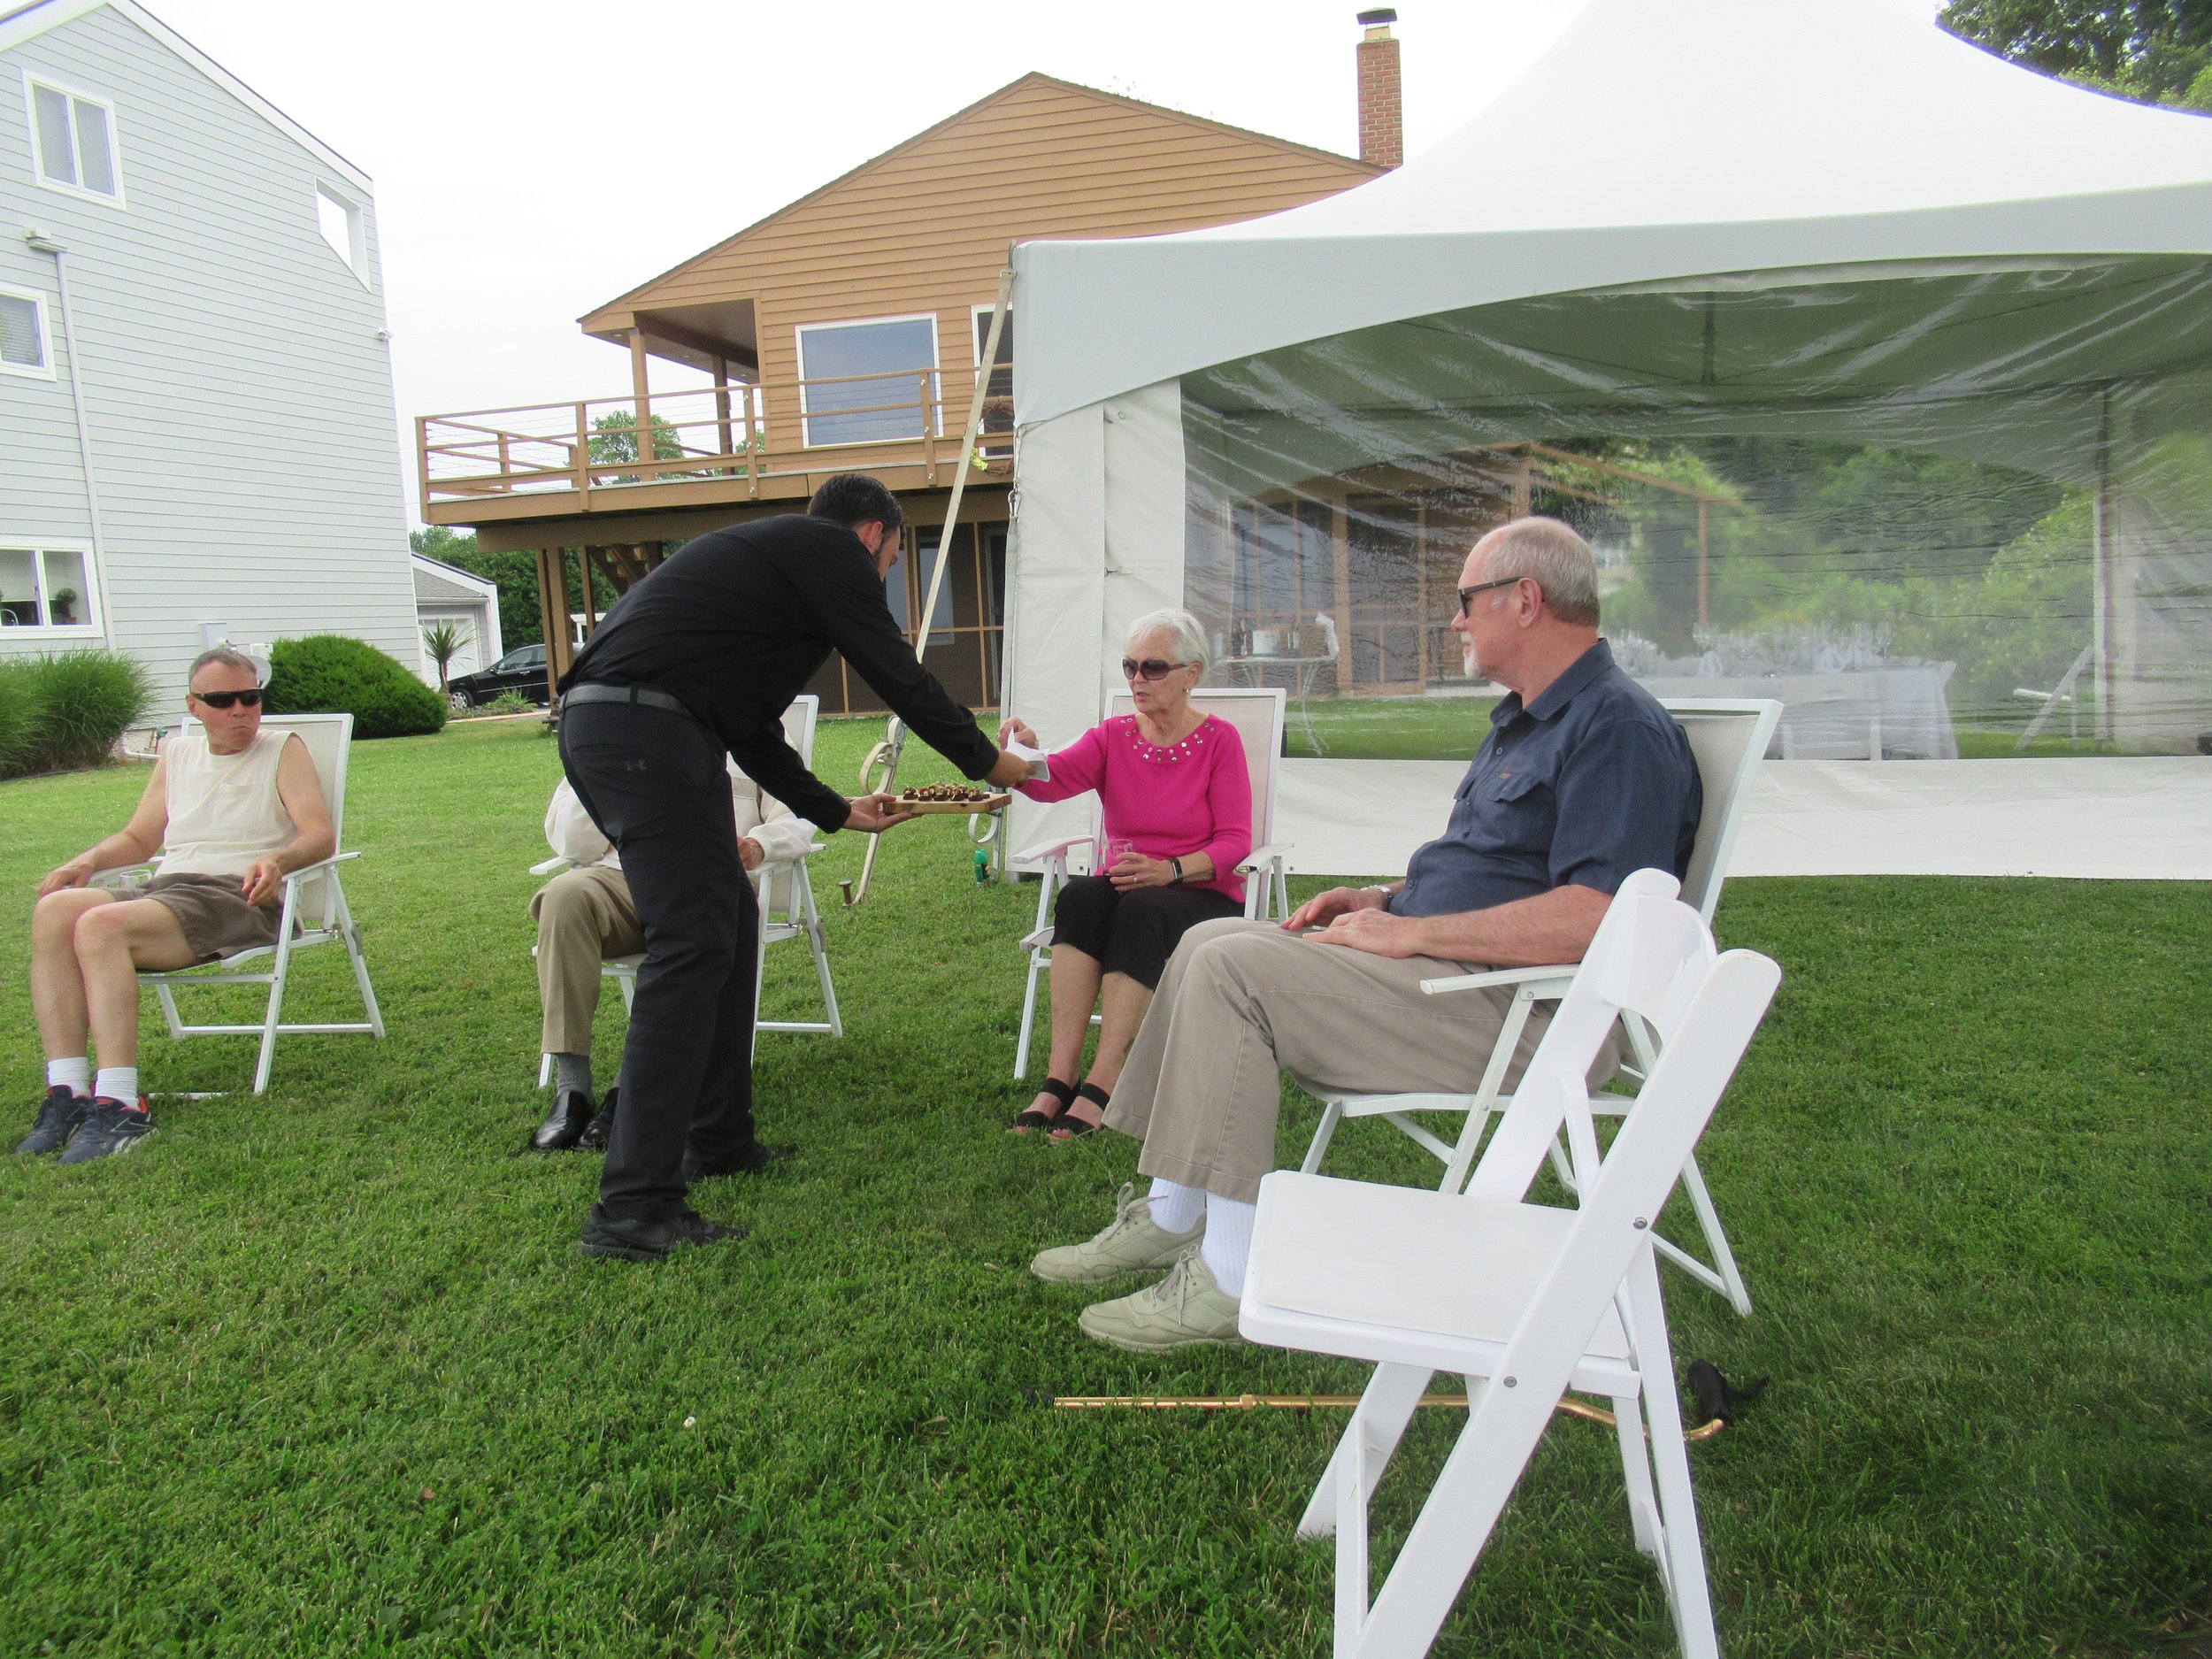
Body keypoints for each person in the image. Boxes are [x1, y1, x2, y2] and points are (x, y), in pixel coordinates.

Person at [1029, 517, 1704, 1351]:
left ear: (1525, 600)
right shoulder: (1526, 720)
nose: (1456, 620)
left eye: (1467, 600)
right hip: (1449, 975)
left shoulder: (1616, 730)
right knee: (1206, 944)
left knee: (1230, 966)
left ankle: (1230, 1280)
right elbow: (1497, 868)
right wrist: (1384, 896)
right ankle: (1176, 1210)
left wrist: (1415, 934)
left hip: (1516, 1014)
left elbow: (1599, 919)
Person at [557, 472, 1035, 1262]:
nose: (879, 583)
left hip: (638, 728)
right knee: (692, 941)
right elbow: (898, 671)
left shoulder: (768, 580)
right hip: (641, 734)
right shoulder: (827, 551)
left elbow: (749, 731)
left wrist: (835, 810)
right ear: (876, 536)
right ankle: (631, 1209)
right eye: (887, 568)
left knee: (730, 919)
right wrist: (994, 764)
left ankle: (718, 1138)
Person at [20, 648, 334, 1163]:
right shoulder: (179, 755)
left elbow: (319, 834)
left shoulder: (283, 749)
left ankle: (122, 1103)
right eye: (222, 700)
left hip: (238, 896)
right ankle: (69, 1093)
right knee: (54, 911)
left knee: (100, 925)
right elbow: (141, 838)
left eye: (250, 696)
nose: (241, 710)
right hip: (169, 890)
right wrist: (88, 860)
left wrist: (278, 859)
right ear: (194, 706)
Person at [999, 608, 1252, 1140]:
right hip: (1131, 886)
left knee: (1139, 907)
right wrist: (1018, 752)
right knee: (1079, 899)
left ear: (1192, 674)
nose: (1138, 679)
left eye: (1154, 667)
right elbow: (1050, 780)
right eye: (1130, 666)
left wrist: (1170, 870)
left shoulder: (1219, 742)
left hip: (1200, 892)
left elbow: (1235, 842)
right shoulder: (1113, 736)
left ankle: (1106, 1077)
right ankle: (1059, 1074)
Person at [526, 764, 814, 1152]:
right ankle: (572, 1088)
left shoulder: (745, 729)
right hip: (621, 877)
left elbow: (797, 813)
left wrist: (757, 845)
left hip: (703, 882)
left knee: (686, 928)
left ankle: (628, 1091)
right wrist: (604, 769)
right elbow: (572, 843)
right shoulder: (612, 733)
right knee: (563, 897)